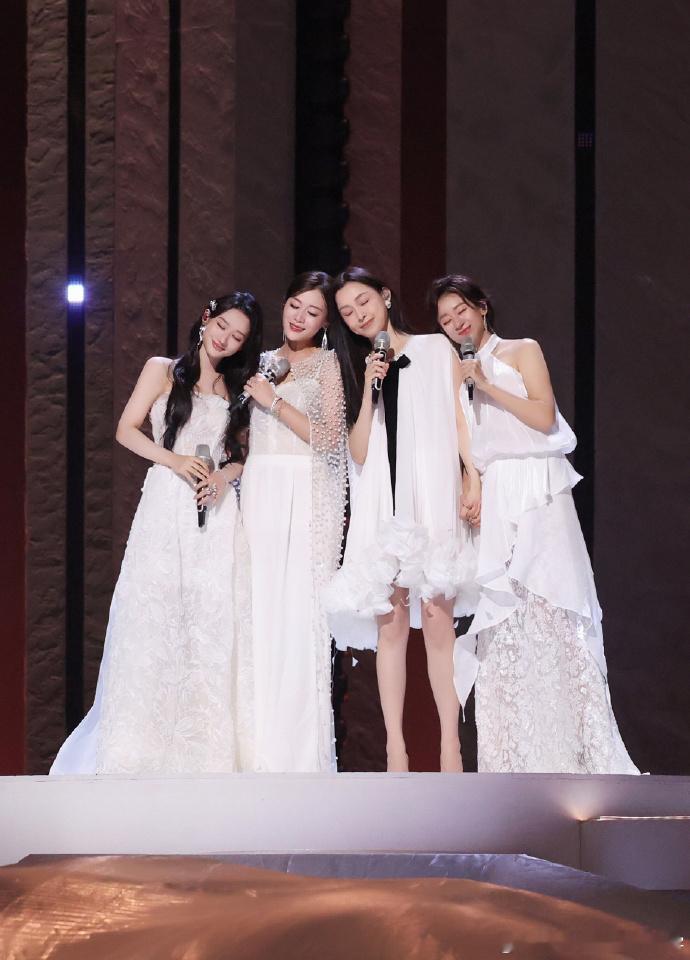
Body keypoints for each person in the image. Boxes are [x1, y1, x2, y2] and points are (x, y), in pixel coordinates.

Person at [431, 273, 638, 774]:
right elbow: (466, 437)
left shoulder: (522, 350)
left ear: (481, 307)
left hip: (540, 486)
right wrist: (473, 483)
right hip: (499, 488)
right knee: (505, 615)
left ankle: (573, 750)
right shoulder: (457, 374)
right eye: (445, 320)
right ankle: (515, 755)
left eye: (461, 311)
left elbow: (545, 417)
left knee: (552, 599)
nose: (456, 323)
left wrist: (486, 383)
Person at [50, 292, 262, 775]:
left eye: (238, 337)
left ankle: (204, 751)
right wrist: (174, 460)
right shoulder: (163, 369)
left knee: (209, 620)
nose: (225, 340)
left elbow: (241, 457)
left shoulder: (236, 388)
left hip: (215, 512)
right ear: (206, 318)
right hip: (166, 503)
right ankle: (137, 748)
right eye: (222, 327)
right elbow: (126, 429)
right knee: (154, 615)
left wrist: (222, 478)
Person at [324, 267, 480, 773]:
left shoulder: (435, 349)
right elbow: (358, 452)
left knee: (437, 619)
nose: (358, 315)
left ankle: (451, 747)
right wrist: (370, 388)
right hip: (384, 507)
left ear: (385, 296)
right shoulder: (356, 368)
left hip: (431, 499)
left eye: (363, 302)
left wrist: (472, 477)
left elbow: (461, 420)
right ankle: (396, 750)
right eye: (346, 312)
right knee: (390, 624)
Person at [240, 272, 347, 772]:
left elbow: (329, 438)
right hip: (258, 490)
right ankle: (251, 745)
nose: (299, 317)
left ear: (325, 323)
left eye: (313, 312)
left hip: (301, 492)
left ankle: (294, 754)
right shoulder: (260, 361)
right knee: (256, 609)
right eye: (294, 305)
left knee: (296, 614)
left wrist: (275, 402)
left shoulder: (327, 365)